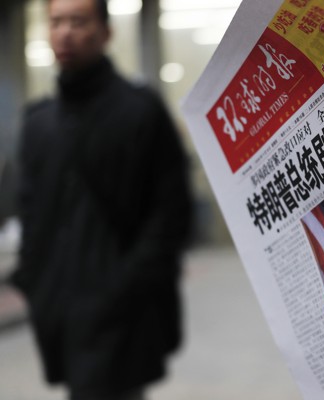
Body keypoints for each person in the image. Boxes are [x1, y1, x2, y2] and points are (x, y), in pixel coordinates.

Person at [10, 0, 194, 398]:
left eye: (78, 21)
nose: (65, 32)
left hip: (122, 311)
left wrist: (123, 287)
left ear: (106, 33)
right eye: (56, 22)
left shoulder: (139, 112)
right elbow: (30, 211)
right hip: (59, 308)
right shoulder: (38, 123)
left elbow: (171, 213)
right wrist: (34, 281)